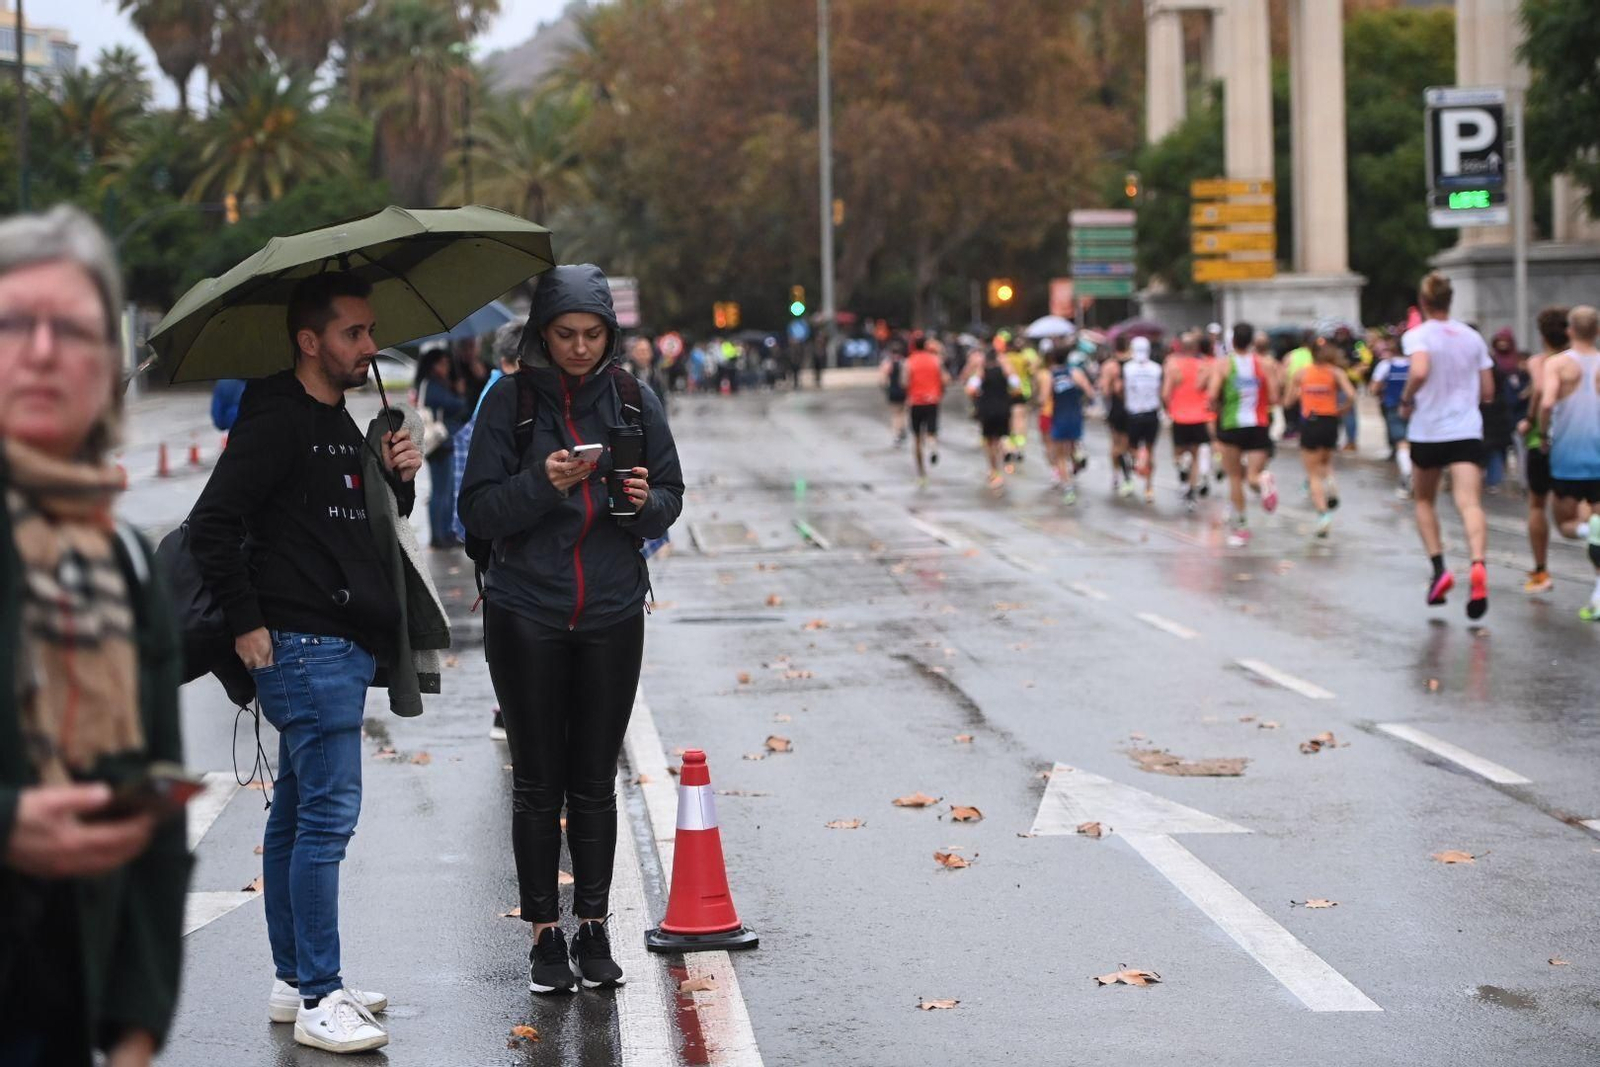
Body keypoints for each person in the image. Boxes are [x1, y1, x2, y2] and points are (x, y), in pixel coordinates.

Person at [189, 271, 423, 1053]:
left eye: (370, 331)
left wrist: (398, 478)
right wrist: (247, 624)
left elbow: (356, 532)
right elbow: (213, 524)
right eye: (354, 332)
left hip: (340, 642)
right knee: (327, 819)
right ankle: (323, 993)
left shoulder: (340, 421)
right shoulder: (278, 421)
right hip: (303, 644)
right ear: (309, 340)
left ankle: (297, 980)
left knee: (295, 816)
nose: (369, 344)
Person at [458, 264, 684, 994]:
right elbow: (478, 512)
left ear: (610, 335)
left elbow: (670, 498)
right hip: (526, 609)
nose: (581, 347)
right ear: (541, 334)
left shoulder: (632, 396)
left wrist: (644, 503)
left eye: (593, 334)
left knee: (594, 781)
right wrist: (541, 484)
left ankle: (593, 927)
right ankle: (543, 937)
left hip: (613, 610)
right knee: (537, 782)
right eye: (565, 334)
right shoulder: (509, 402)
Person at [0, 205, 190, 1067]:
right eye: (14, 323)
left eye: (72, 329)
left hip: (68, 1011)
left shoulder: (121, 559)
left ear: (108, 367)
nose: (41, 351)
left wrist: (137, 1034)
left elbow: (151, 811)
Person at [1399, 271, 1493, 618]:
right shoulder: (1472, 338)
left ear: (1424, 303)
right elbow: (1487, 391)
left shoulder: (1418, 336)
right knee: (1469, 502)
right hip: (1466, 429)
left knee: (1424, 499)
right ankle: (1478, 564)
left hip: (1429, 430)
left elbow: (1420, 371)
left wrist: (1408, 398)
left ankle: (1439, 569)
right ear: (1450, 301)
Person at [448, 322, 524, 742]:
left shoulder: (495, 393)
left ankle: (509, 708)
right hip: (502, 544)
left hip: (496, 545)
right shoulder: (498, 401)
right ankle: (507, 709)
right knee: (510, 636)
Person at [1537, 305, 1600, 620]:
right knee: (1598, 527)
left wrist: (1542, 434)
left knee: (1565, 525)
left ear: (1570, 331)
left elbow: (1547, 402)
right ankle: (1599, 595)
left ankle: (1592, 529)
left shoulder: (1557, 364)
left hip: (1568, 455)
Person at [1212, 321, 1280, 546]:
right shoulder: (1265, 364)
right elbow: (1273, 397)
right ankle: (1263, 480)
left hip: (1232, 425)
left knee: (1234, 477)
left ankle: (1241, 527)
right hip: (1258, 424)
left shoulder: (1223, 365)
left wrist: (1218, 406)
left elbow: (1212, 395)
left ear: (1232, 341)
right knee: (1252, 474)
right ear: (1251, 341)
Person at [1284, 332, 1355, 538]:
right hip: (1330, 421)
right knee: (1325, 461)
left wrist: (1299, 395)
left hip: (1310, 421)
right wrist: (1342, 409)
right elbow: (1351, 395)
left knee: (1313, 472)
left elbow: (1288, 402)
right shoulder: (1335, 372)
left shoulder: (1302, 373)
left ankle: (1323, 515)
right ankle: (1331, 483)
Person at [1519, 306, 1569, 593]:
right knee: (1586, 504)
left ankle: (1541, 570)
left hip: (1543, 441)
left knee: (1537, 504)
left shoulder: (1541, 363)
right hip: (1580, 442)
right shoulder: (1584, 360)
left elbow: (1540, 392)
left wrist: (1529, 421)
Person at [415, 344, 468, 549]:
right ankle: (439, 535)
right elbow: (456, 406)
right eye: (443, 363)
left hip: (443, 442)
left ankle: (445, 533)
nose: (446, 367)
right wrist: (459, 393)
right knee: (440, 491)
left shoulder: (437, 383)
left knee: (445, 490)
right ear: (433, 365)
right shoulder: (432, 385)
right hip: (439, 443)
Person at [1162, 332, 1214, 512]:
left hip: (1179, 416)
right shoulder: (1204, 366)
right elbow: (1210, 391)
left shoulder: (1173, 365)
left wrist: (1168, 409)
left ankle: (1181, 466)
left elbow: (1165, 393)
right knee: (1196, 456)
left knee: (1178, 454)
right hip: (1199, 417)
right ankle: (1191, 492)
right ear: (1197, 348)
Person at [1041, 346, 1094, 504]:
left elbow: (1044, 399)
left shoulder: (1050, 376)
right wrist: (1085, 402)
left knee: (1060, 455)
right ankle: (1078, 457)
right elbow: (1090, 392)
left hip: (1059, 416)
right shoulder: (1075, 373)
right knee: (1072, 445)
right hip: (1075, 415)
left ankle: (1068, 487)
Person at [968, 345, 1016, 490]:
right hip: (1003, 408)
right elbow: (1016, 385)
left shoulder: (982, 372)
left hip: (987, 409)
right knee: (1002, 436)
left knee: (989, 441)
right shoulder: (1005, 371)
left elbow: (971, 389)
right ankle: (1007, 453)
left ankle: (994, 471)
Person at [1370, 336, 1413, 497]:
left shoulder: (1386, 365)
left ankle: (1407, 474)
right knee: (1414, 442)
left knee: (1402, 442)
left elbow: (1374, 388)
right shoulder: (1415, 365)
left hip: (1393, 406)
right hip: (1415, 408)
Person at [904, 336, 949, 488]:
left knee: (916, 438)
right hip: (932, 401)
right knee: (931, 432)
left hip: (915, 402)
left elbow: (904, 381)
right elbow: (945, 379)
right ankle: (933, 447)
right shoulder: (936, 360)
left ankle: (921, 474)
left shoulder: (910, 361)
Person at [1123, 336, 1163, 503]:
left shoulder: (1127, 368)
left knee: (1130, 448)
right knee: (1151, 450)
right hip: (1152, 414)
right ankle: (1149, 488)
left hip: (1134, 414)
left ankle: (1139, 457)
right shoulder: (1157, 368)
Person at [1482, 328, 1523, 493]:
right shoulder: (1492, 362)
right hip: (1493, 411)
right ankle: (1493, 479)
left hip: (1510, 411)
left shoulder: (1516, 362)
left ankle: (1497, 478)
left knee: (1501, 447)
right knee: (1495, 447)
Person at [1099, 334, 1135, 496]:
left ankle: (1116, 474)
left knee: (1115, 444)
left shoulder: (1109, 366)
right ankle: (1127, 470)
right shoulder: (1135, 364)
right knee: (1128, 444)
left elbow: (1105, 390)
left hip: (1116, 407)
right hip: (1133, 407)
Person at [879, 339, 909, 445]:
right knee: (904, 412)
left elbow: (882, 380)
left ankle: (896, 434)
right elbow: (907, 379)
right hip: (903, 391)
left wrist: (885, 389)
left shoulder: (887, 364)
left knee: (895, 414)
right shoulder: (905, 362)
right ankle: (903, 428)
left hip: (893, 390)